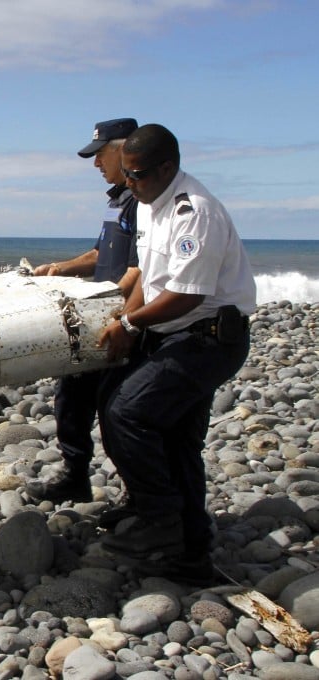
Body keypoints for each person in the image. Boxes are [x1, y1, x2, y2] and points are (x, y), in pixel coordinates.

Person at [96, 124, 255, 581]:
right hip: (174, 333)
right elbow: (150, 276)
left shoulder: (195, 213)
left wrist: (130, 324)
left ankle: (160, 521)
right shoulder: (150, 203)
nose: (129, 183)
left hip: (208, 338)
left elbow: (187, 294)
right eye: (126, 173)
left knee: (129, 413)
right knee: (173, 436)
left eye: (138, 174)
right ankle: (189, 552)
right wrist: (128, 318)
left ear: (167, 168)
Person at [26, 118, 140, 504]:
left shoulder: (142, 203)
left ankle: (138, 494)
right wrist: (59, 268)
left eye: (100, 154)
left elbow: (141, 271)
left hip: (123, 320)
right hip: (98, 316)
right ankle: (75, 475)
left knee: (116, 411)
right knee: (71, 396)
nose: (96, 164)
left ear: (125, 150)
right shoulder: (116, 201)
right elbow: (98, 254)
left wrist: (122, 319)